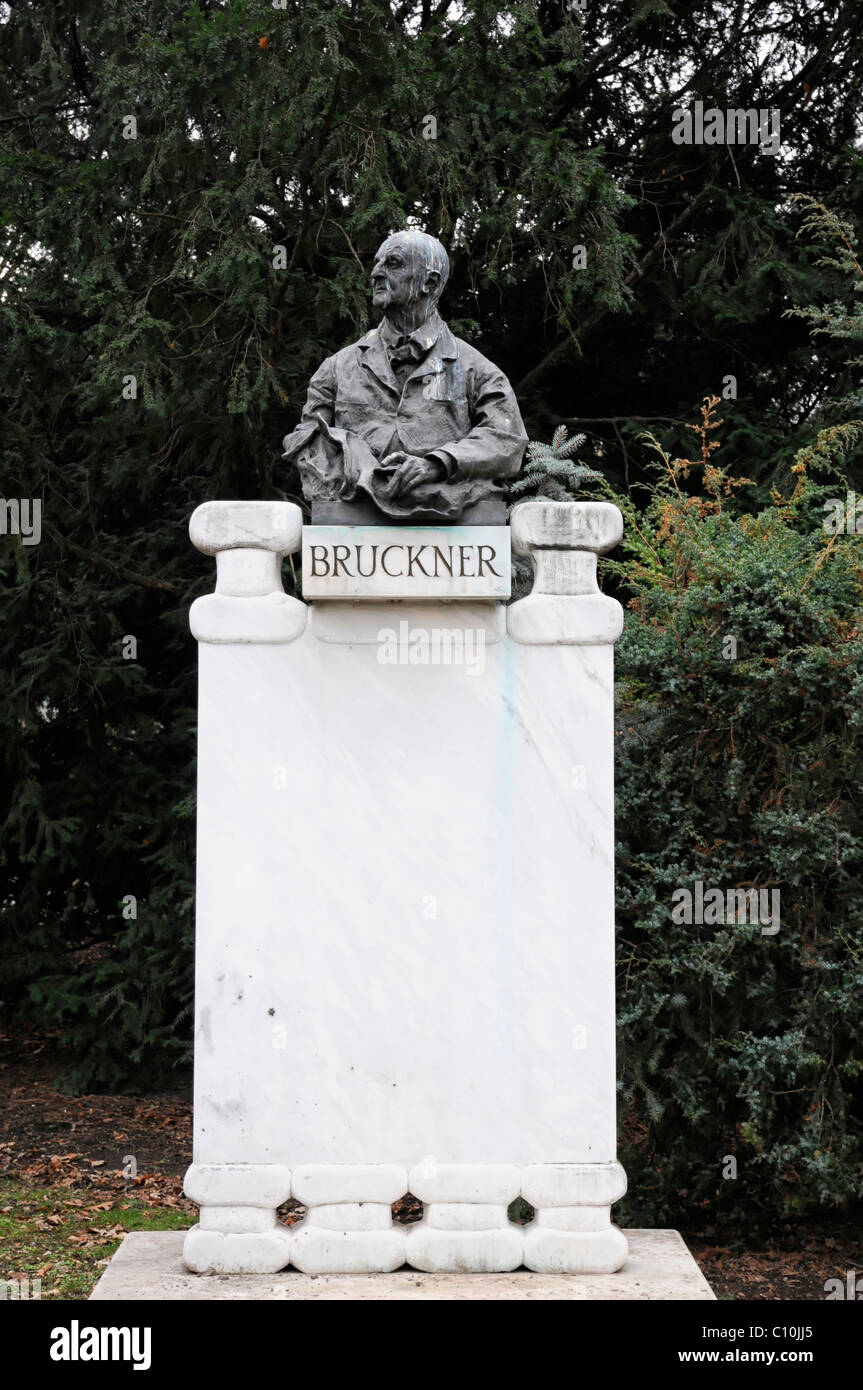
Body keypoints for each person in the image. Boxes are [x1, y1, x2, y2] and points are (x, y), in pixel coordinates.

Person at [282, 229, 527, 523]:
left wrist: (438, 464)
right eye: (377, 262)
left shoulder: (477, 370)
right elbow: (305, 439)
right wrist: (353, 456)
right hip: (353, 514)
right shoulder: (337, 367)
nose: (376, 273)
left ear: (430, 282)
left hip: (451, 512)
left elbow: (507, 440)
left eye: (393, 263)